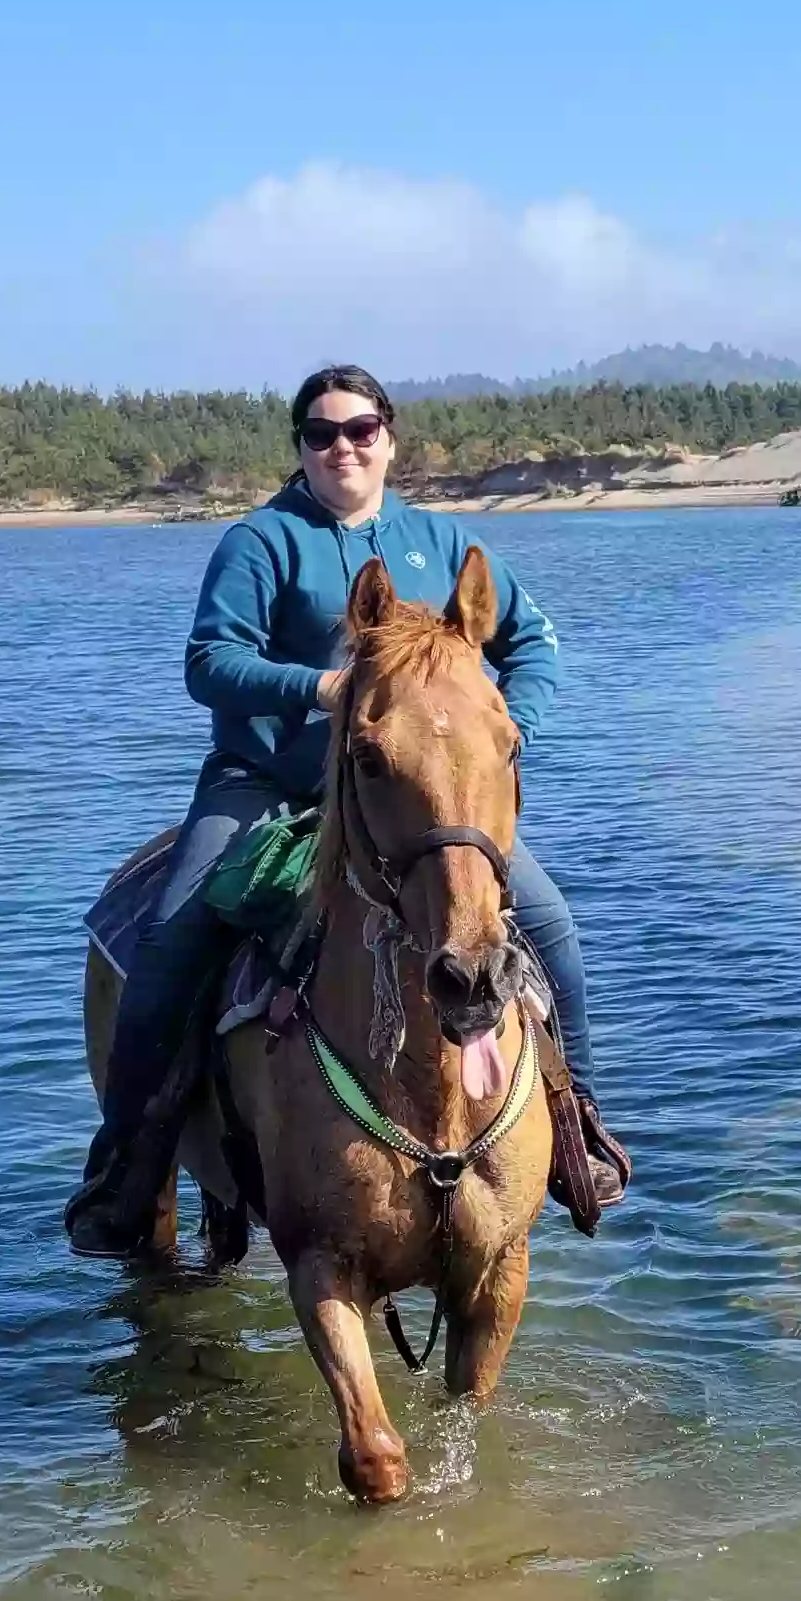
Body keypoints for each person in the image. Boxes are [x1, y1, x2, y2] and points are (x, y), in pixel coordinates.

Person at [67, 363, 627, 1256]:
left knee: (551, 922)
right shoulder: (262, 542)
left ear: (389, 438)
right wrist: (321, 687)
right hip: (267, 782)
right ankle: (125, 1168)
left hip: (414, 801)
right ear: (300, 446)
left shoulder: (439, 542)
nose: (343, 448)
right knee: (173, 936)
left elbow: (533, 641)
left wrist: (507, 724)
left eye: (361, 430)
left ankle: (578, 1130)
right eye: (323, 433)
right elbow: (208, 663)